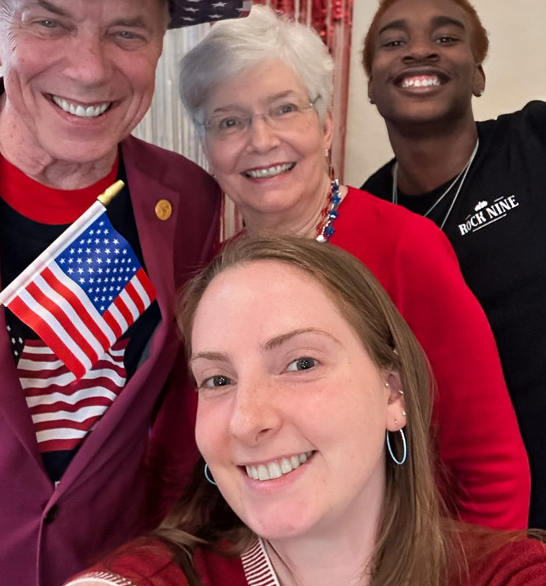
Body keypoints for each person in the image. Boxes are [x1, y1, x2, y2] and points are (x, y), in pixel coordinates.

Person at [0, 0, 250, 586]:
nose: (89, 69)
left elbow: (183, 414)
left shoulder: (190, 201)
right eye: (49, 23)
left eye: (126, 32)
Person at [176, 3, 529, 530]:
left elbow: (489, 463)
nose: (262, 140)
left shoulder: (407, 246)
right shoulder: (215, 275)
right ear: (207, 146)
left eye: (284, 109)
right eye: (230, 122)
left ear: (325, 125)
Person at [66, 237, 546, 586]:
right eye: (218, 380)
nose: (246, 420)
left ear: (393, 394)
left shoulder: (505, 572)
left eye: (301, 363)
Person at [361, 0, 546, 529]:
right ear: (371, 83)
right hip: (456, 533)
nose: (420, 50)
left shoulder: (535, 142)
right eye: (394, 41)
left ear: (476, 74)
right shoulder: (362, 216)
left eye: (447, 37)